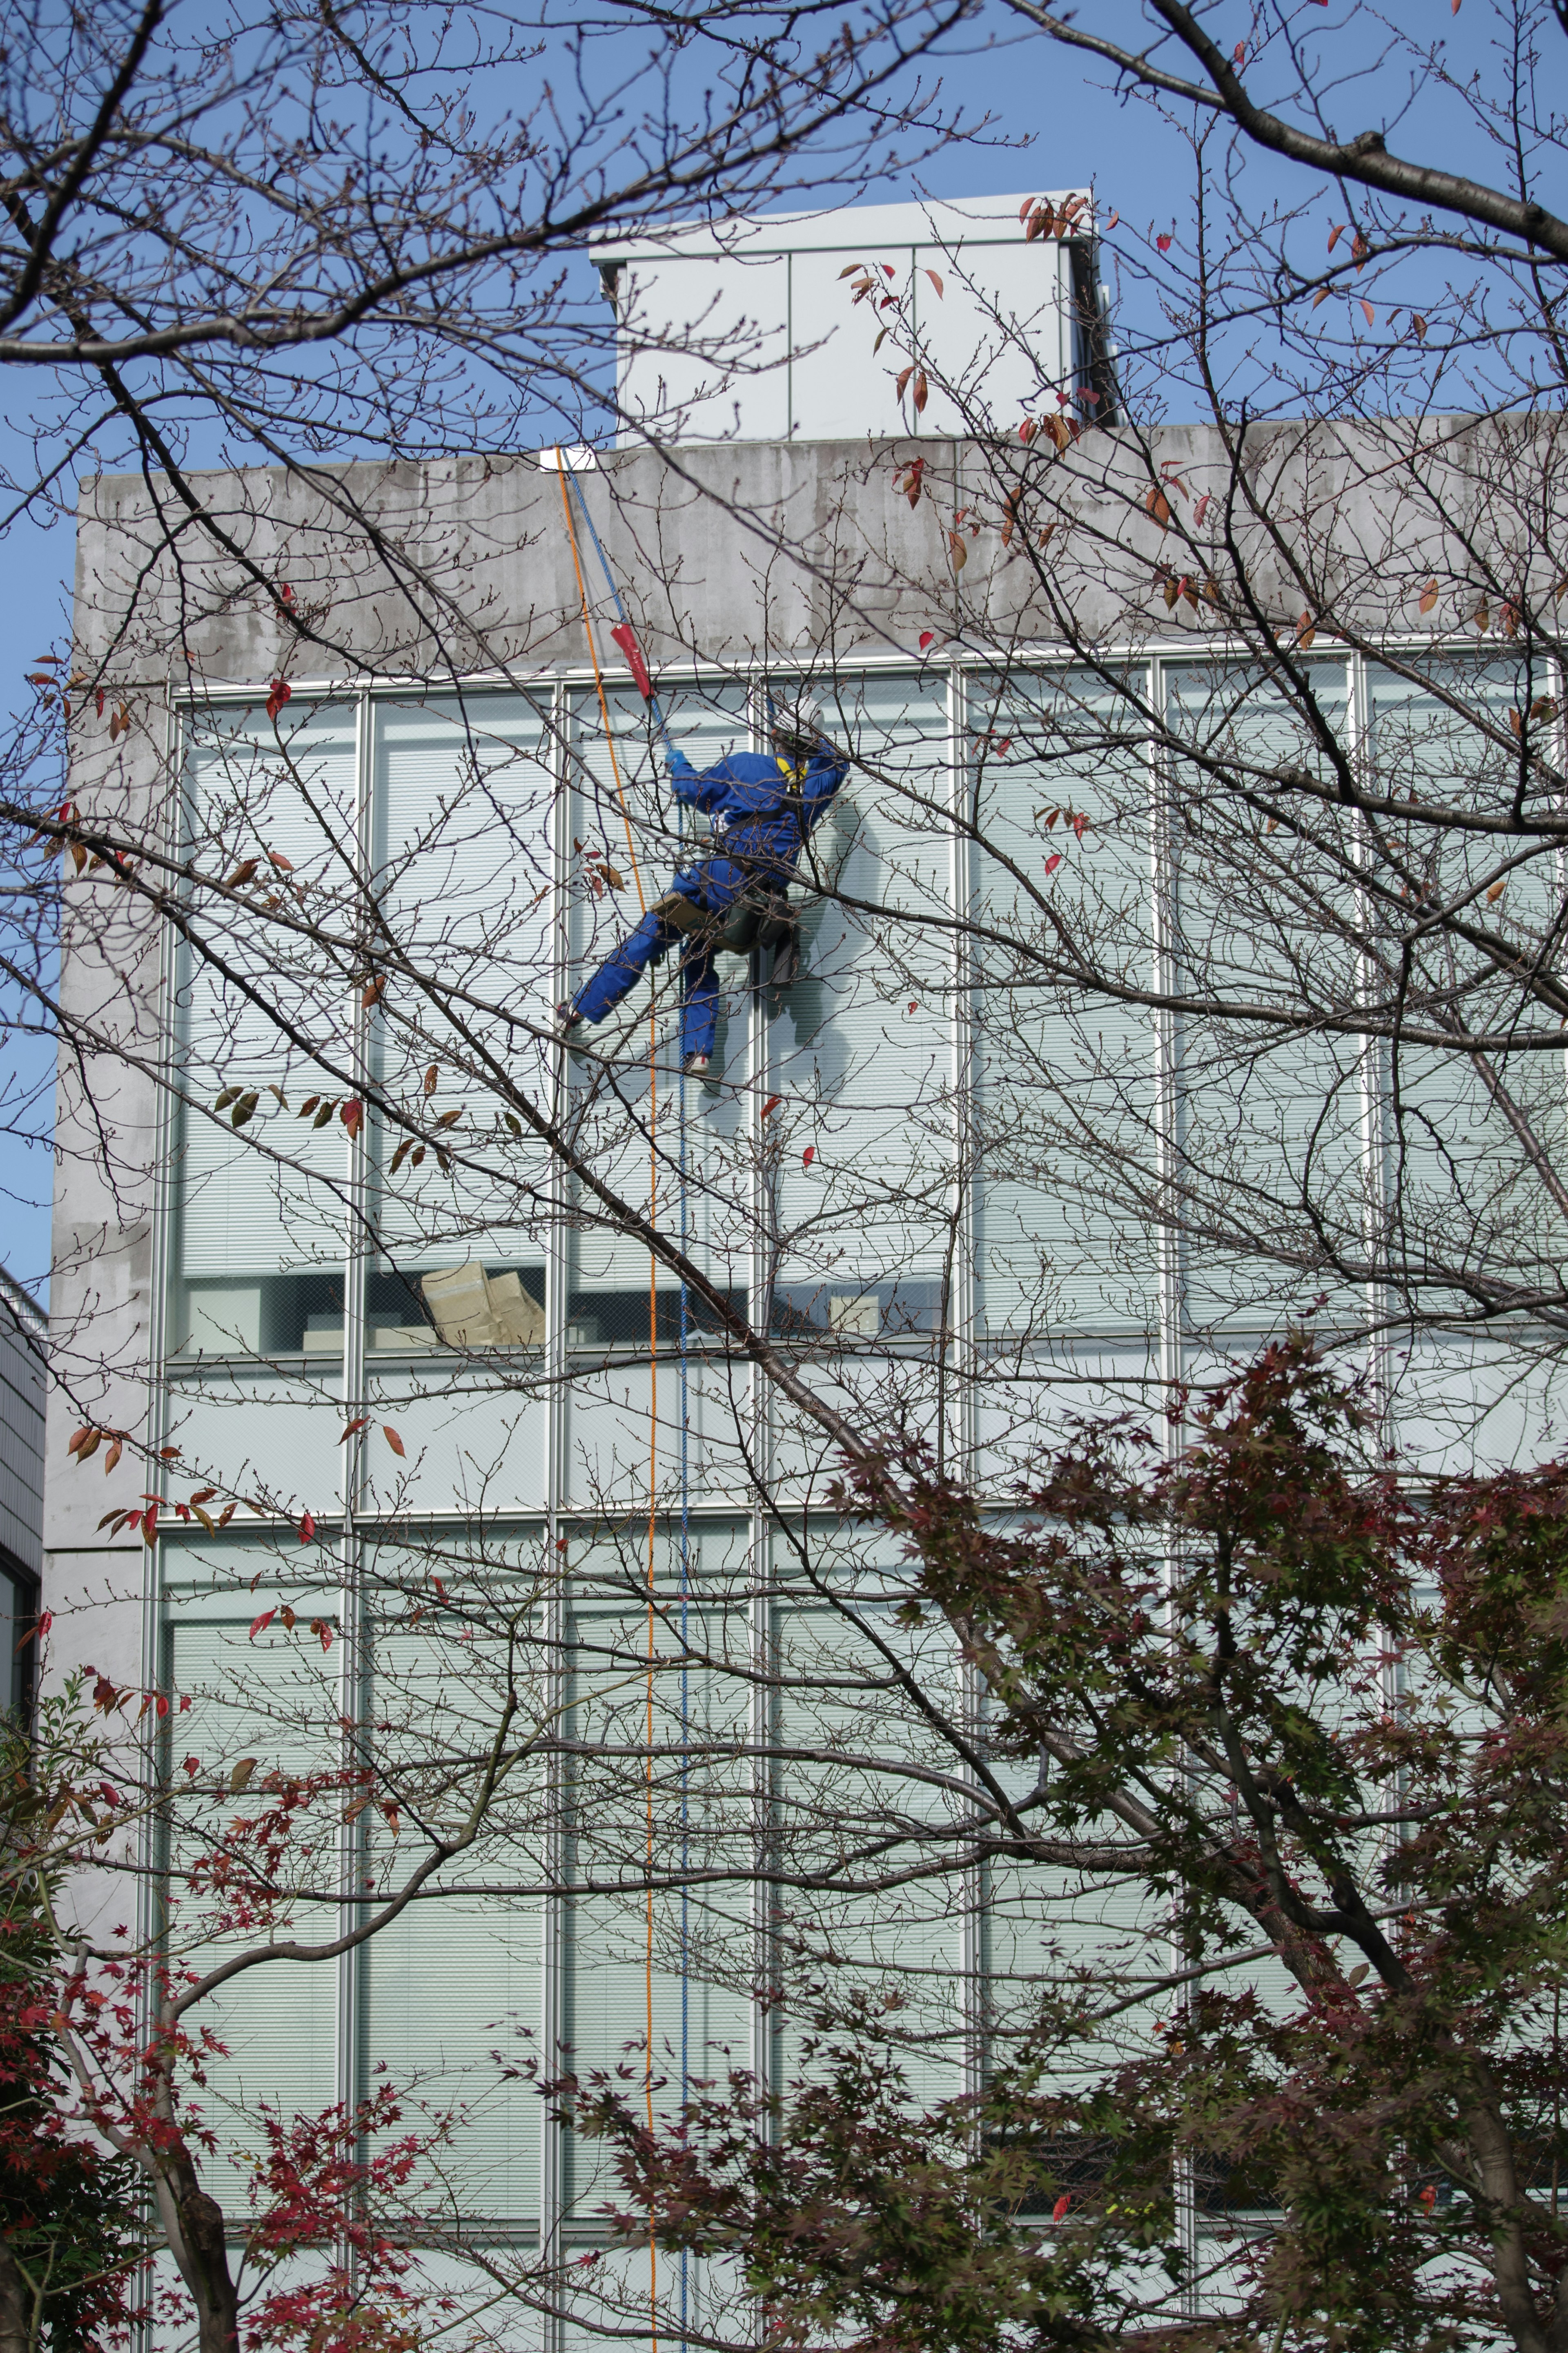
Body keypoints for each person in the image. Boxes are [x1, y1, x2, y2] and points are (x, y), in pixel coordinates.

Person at [559, 701, 848, 1073]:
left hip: (721, 883)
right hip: (757, 911)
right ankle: (698, 1051)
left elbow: (692, 790)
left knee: (653, 931)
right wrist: (810, 742)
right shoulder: (813, 791)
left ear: (775, 735)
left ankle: (579, 1009)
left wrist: (678, 765)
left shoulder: (747, 767)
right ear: (809, 744)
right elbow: (839, 761)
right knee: (697, 953)